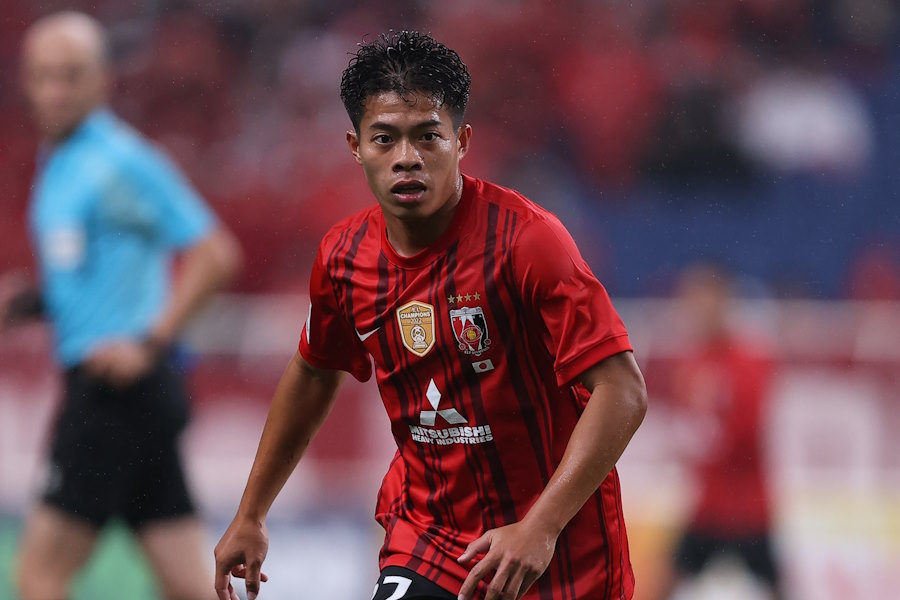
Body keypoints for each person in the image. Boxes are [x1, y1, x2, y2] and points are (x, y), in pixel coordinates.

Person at [214, 31, 647, 600]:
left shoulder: (529, 241)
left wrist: (540, 526)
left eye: (427, 136)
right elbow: (314, 372)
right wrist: (251, 512)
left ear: (461, 141)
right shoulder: (344, 257)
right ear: (355, 146)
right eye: (385, 139)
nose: (407, 158)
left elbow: (622, 390)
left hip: (561, 549)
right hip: (430, 539)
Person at [2, 11, 241, 600]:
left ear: (102, 79)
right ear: (26, 81)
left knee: (39, 577)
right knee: (188, 586)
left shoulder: (121, 160)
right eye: (44, 76)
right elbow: (94, 275)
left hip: (114, 393)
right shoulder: (60, 159)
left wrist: (148, 342)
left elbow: (214, 254)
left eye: (71, 75)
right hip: (136, 399)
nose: (55, 90)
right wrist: (30, 303)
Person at [655, 263, 783, 600]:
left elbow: (749, 430)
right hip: (709, 505)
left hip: (746, 507)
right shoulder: (691, 360)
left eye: (704, 298)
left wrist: (707, 445)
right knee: (661, 585)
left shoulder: (749, 359)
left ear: (724, 300)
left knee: (776, 588)